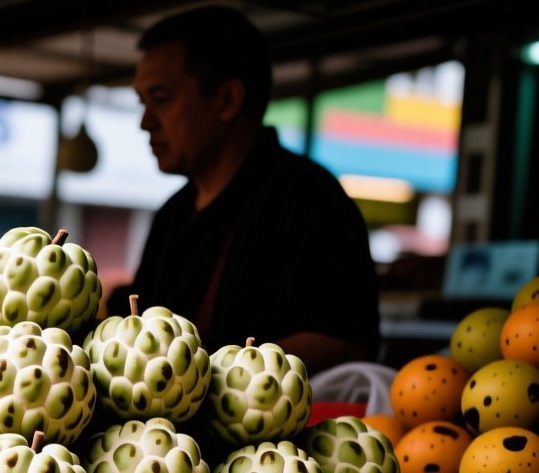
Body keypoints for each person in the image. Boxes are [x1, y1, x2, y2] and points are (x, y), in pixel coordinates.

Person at [111, 5, 380, 372]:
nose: (145, 122)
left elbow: (344, 343)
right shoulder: (172, 214)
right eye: (143, 102)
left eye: (161, 98)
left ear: (227, 100)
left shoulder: (312, 201)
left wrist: (214, 380)